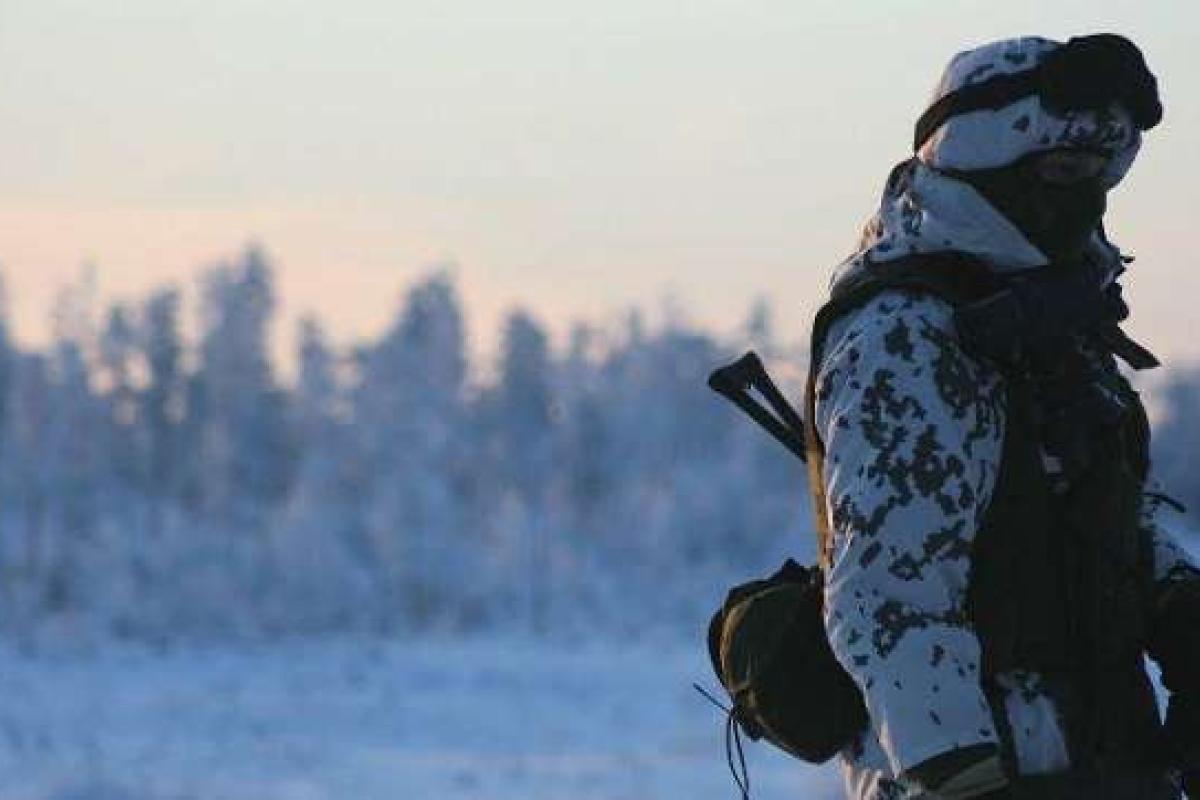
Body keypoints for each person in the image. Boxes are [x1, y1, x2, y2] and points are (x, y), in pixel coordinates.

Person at [803, 35, 1200, 799]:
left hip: (1103, 758)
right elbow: (888, 597)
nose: (1088, 198)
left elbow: (1096, 504)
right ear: (987, 162)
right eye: (1065, 172)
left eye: (1101, 175)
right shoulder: (907, 335)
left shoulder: (1053, 324)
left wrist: (1181, 609)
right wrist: (963, 776)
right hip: (989, 773)